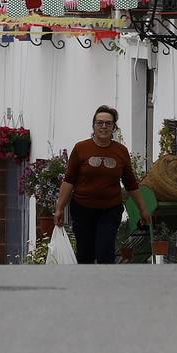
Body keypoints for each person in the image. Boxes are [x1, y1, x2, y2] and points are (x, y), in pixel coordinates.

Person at [54, 105, 151, 264]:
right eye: (99, 123)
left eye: (108, 123)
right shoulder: (81, 148)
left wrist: (143, 209)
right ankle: (86, 286)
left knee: (105, 251)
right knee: (86, 254)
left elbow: (130, 183)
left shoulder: (121, 151)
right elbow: (69, 180)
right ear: (93, 126)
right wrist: (59, 209)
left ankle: (105, 286)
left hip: (110, 210)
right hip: (82, 209)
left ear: (114, 127)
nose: (103, 127)